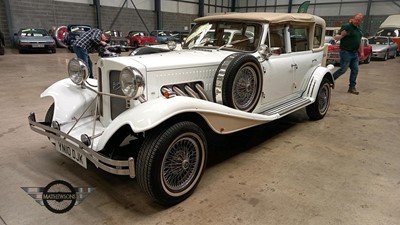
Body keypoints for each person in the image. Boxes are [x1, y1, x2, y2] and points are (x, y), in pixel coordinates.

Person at [332, 13, 365, 95]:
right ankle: (329, 80)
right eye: (356, 19)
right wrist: (341, 36)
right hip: (346, 52)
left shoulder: (359, 29)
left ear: (361, 21)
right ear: (352, 19)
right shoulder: (347, 26)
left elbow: (360, 41)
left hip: (354, 53)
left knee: (355, 70)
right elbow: (336, 37)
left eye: (359, 20)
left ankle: (352, 87)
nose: (357, 21)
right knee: (343, 69)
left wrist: (362, 52)